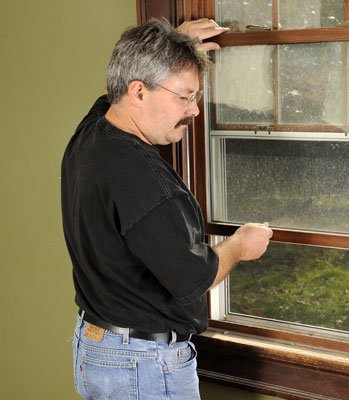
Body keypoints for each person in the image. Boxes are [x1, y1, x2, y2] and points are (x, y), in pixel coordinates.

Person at [61, 18, 273, 400]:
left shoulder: (92, 132)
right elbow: (193, 278)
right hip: (141, 366)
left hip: (95, 348)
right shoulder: (146, 182)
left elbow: (112, 89)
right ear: (138, 92)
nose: (194, 111)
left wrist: (175, 44)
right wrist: (241, 244)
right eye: (185, 96)